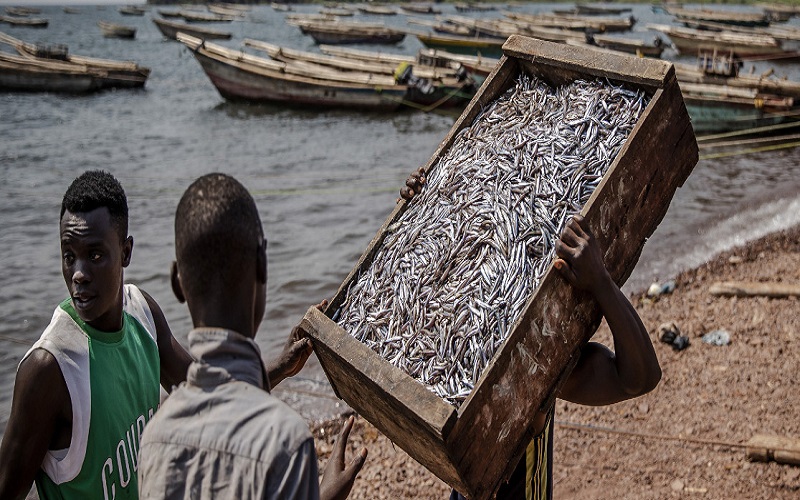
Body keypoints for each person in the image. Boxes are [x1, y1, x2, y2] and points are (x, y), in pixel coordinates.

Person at [0, 170, 314, 500]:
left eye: (94, 255)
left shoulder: (142, 313)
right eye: (69, 256)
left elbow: (210, 396)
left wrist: (281, 366)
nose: (78, 273)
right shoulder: (49, 370)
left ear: (126, 252)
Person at [401, 174, 661, 500]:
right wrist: (419, 217)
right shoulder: (442, 341)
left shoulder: (532, 366)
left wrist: (602, 282)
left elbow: (641, 377)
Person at [137, 173, 367, 500]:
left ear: (177, 283)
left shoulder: (155, 439)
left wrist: (277, 369)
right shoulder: (285, 441)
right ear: (263, 264)